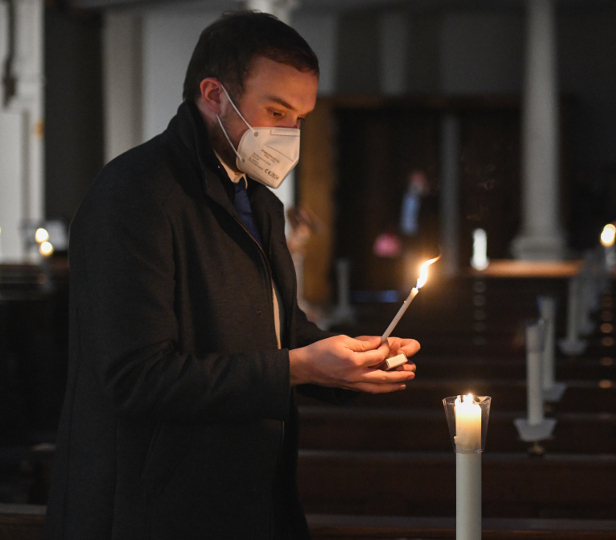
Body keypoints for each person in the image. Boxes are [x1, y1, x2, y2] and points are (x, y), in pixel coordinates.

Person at [43, 11, 418, 540]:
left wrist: (350, 361)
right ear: (214, 94)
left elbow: (275, 328)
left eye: (301, 119)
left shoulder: (257, 201)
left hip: (243, 498)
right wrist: (297, 368)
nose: (289, 134)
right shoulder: (136, 193)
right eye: (276, 110)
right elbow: (136, 377)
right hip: (149, 509)